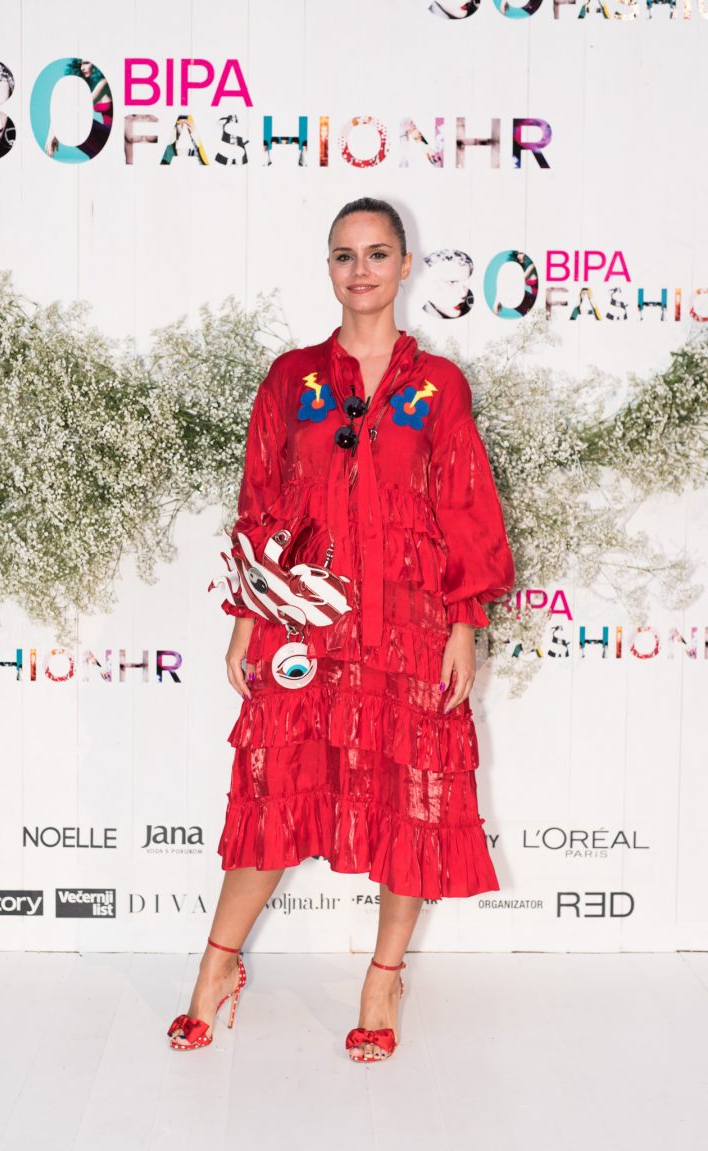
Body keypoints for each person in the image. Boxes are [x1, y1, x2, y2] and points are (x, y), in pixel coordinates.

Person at [167, 196, 516, 1062]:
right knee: (274, 787)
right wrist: (249, 615)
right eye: (344, 255)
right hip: (305, 626)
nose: (361, 270)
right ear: (329, 268)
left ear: (405, 265)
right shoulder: (292, 379)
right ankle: (216, 966)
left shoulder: (439, 387)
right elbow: (261, 504)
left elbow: (465, 509)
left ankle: (382, 979)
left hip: (411, 624)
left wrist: (463, 623)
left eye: (376, 253)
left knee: (411, 794)